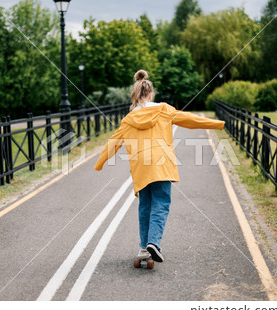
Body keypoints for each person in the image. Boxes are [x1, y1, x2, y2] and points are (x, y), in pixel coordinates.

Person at [94, 70, 225, 263]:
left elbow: (113, 143)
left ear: (136, 95)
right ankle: (153, 243)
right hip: (162, 165)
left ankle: (143, 248)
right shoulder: (163, 110)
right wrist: (218, 124)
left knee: (145, 206)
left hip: (141, 169)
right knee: (161, 204)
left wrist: (99, 164)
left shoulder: (128, 120)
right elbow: (190, 120)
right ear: (150, 94)